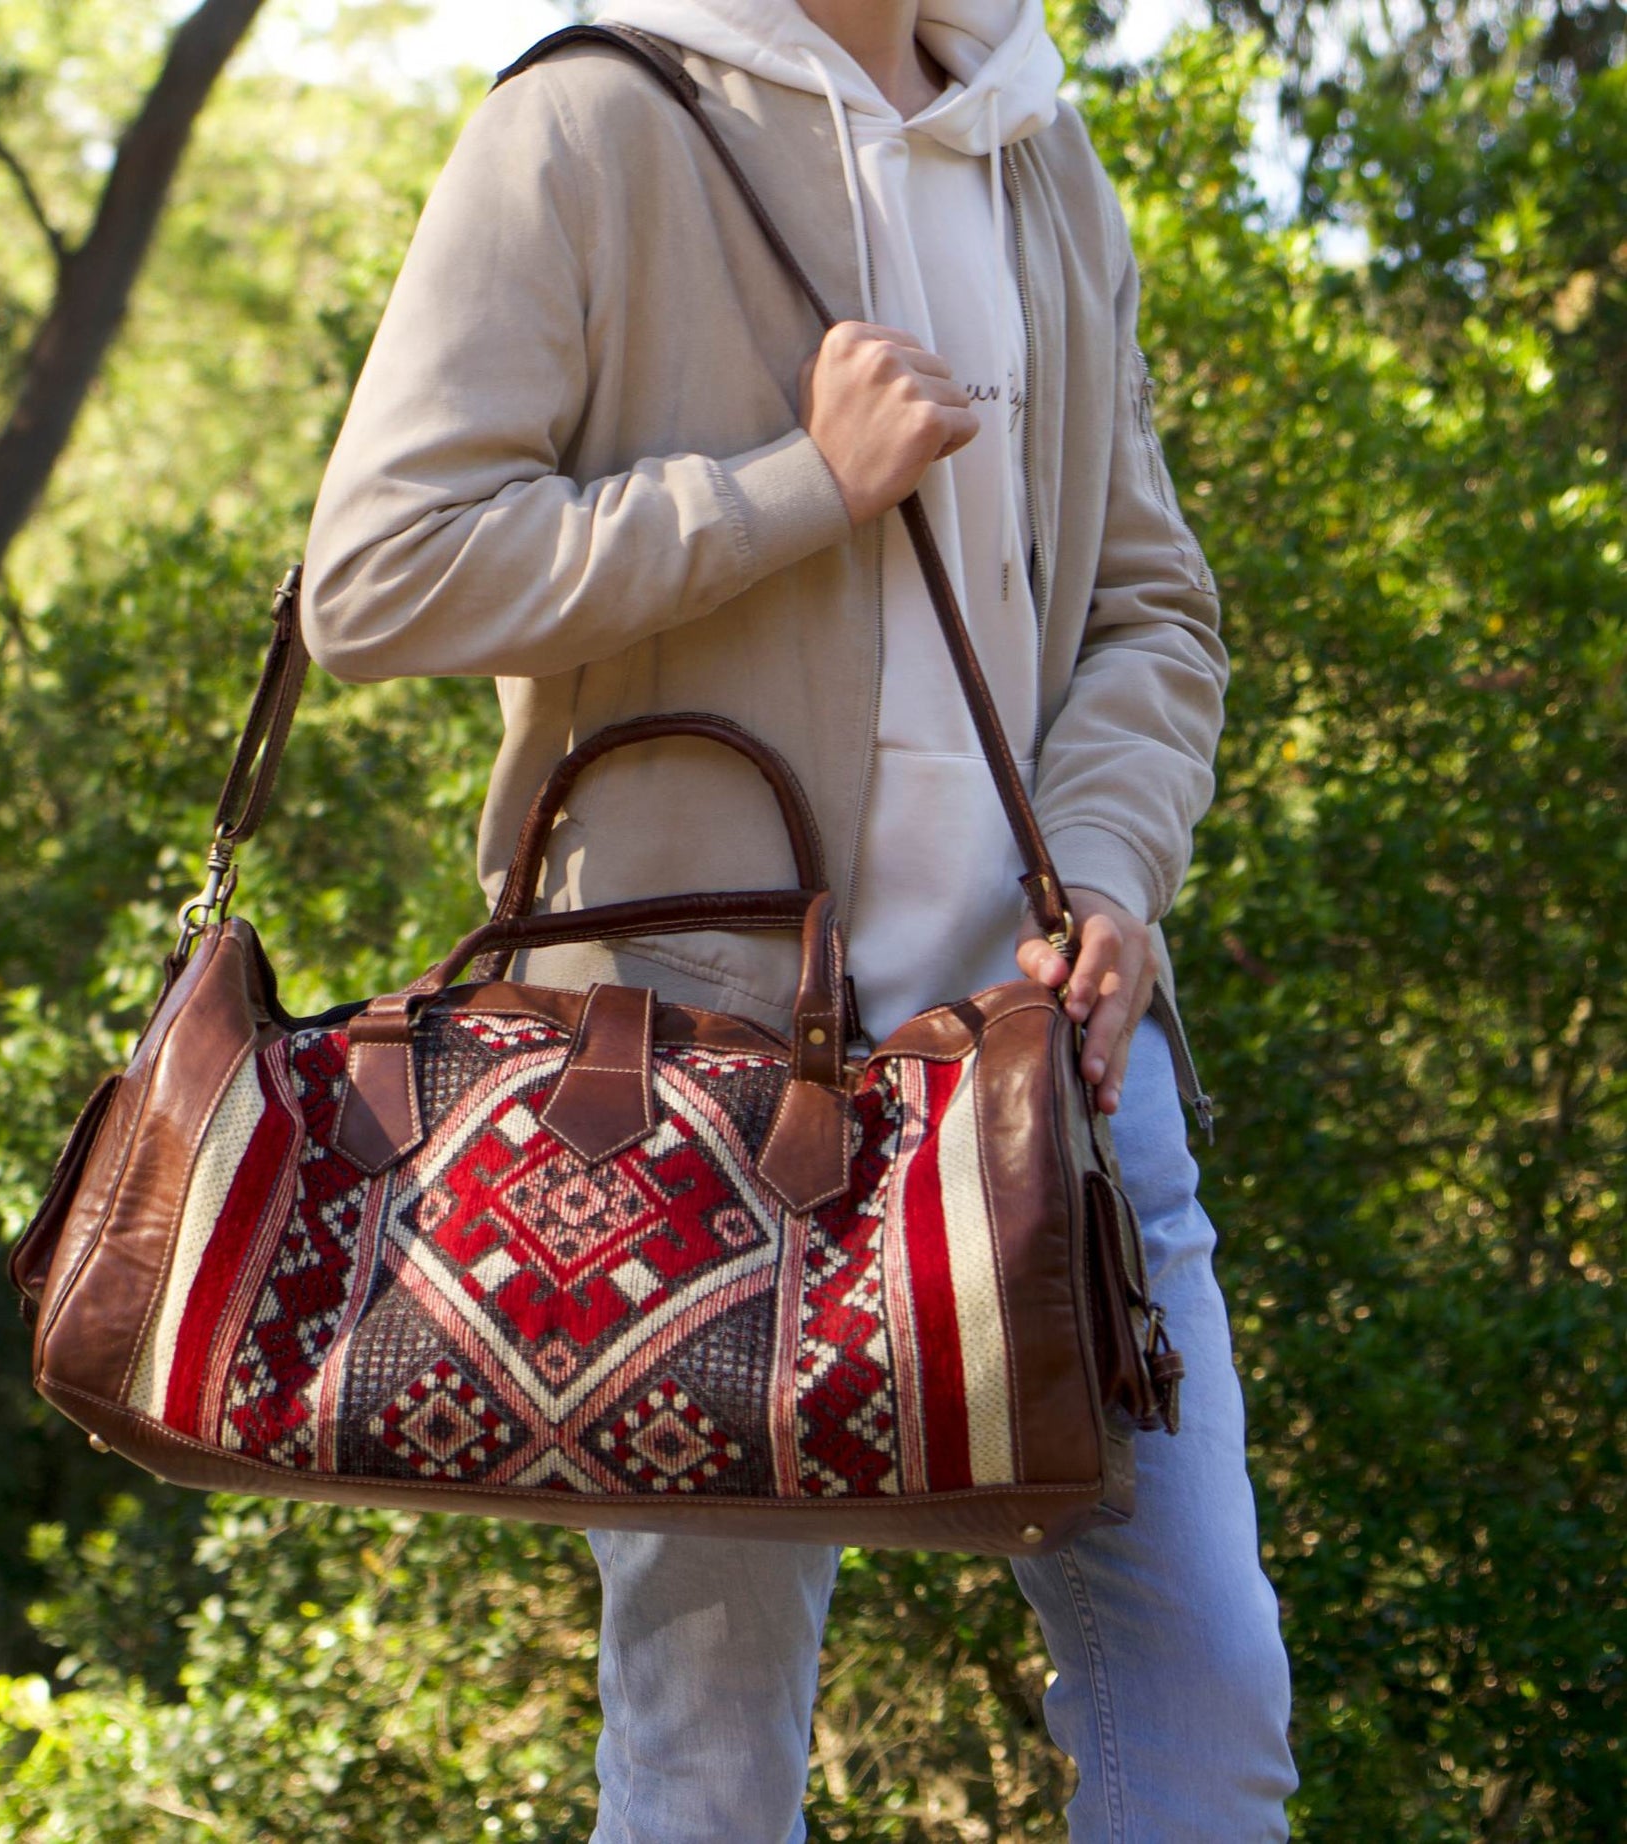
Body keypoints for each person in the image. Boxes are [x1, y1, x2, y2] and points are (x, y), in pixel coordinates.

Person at [299, 0, 1299, 1836]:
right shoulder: (593, 121)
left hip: (1051, 1065)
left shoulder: (1035, 148)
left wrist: (1106, 873)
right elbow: (379, 571)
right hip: (697, 1075)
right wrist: (797, 491)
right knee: (705, 1758)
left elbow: (1154, 612)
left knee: (1211, 1706)